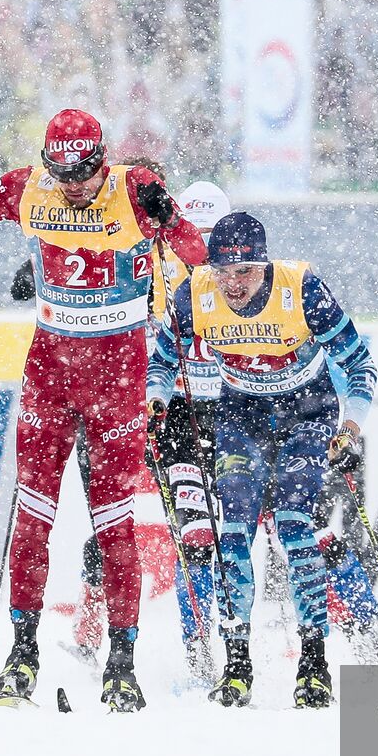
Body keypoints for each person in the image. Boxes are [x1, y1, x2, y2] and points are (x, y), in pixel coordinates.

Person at [0, 109, 207, 712]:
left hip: (119, 379)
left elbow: (196, 250)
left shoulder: (132, 188)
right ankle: (22, 650)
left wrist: (168, 216)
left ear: (101, 159)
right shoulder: (33, 186)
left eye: (82, 172)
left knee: (114, 524)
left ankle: (122, 663)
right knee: (33, 517)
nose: (72, 185)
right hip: (49, 376)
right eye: (61, 172)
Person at [147, 212, 376, 709]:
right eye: (225, 272)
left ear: (265, 265)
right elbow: (163, 360)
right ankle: (237, 664)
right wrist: (156, 400)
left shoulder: (302, 289)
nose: (234, 284)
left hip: (307, 413)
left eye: (246, 272)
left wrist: (352, 426)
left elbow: (359, 363)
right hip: (241, 415)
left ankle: (313, 662)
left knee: (295, 526)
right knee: (233, 531)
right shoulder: (195, 292)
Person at [150, 180, 232, 685]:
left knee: (296, 530)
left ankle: (367, 633)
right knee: (195, 539)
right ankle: (199, 652)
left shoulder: (248, 278)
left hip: (239, 416)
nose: (198, 253)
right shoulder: (159, 272)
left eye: (209, 239)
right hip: (180, 419)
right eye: (190, 237)